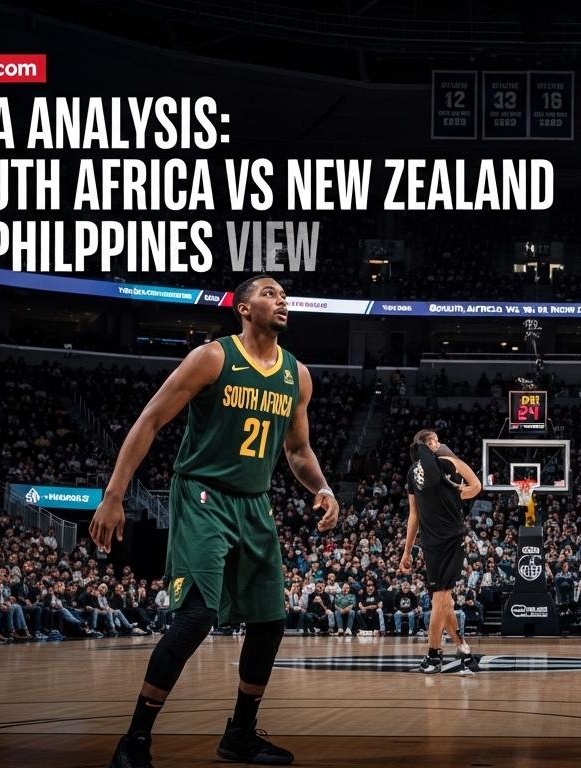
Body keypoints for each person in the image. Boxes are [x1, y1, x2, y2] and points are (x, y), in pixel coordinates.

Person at [91, 275, 340, 768]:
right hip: (203, 494)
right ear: (244, 309)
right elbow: (151, 420)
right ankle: (135, 739)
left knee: (270, 621)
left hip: (255, 502)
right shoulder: (213, 357)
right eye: (269, 293)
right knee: (198, 616)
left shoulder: (298, 375)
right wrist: (114, 494)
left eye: (283, 295)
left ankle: (240, 735)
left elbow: (297, 449)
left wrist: (324, 488)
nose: (281, 300)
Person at [399, 430, 482, 674]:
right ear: (429, 445)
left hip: (441, 541)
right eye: (435, 440)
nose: (439, 442)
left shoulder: (428, 468)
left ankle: (441, 653)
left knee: (441, 599)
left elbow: (413, 516)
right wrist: (457, 493)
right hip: (440, 540)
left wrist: (407, 551)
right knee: (443, 602)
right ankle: (456, 652)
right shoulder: (438, 466)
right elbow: (477, 485)